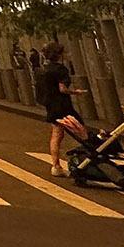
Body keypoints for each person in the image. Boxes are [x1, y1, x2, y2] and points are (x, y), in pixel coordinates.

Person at [35, 41, 83, 177]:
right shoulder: (60, 69)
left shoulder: (41, 70)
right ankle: (87, 161)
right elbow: (63, 89)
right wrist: (76, 92)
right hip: (63, 105)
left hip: (51, 105)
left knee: (56, 135)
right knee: (81, 131)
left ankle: (56, 165)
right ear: (59, 54)